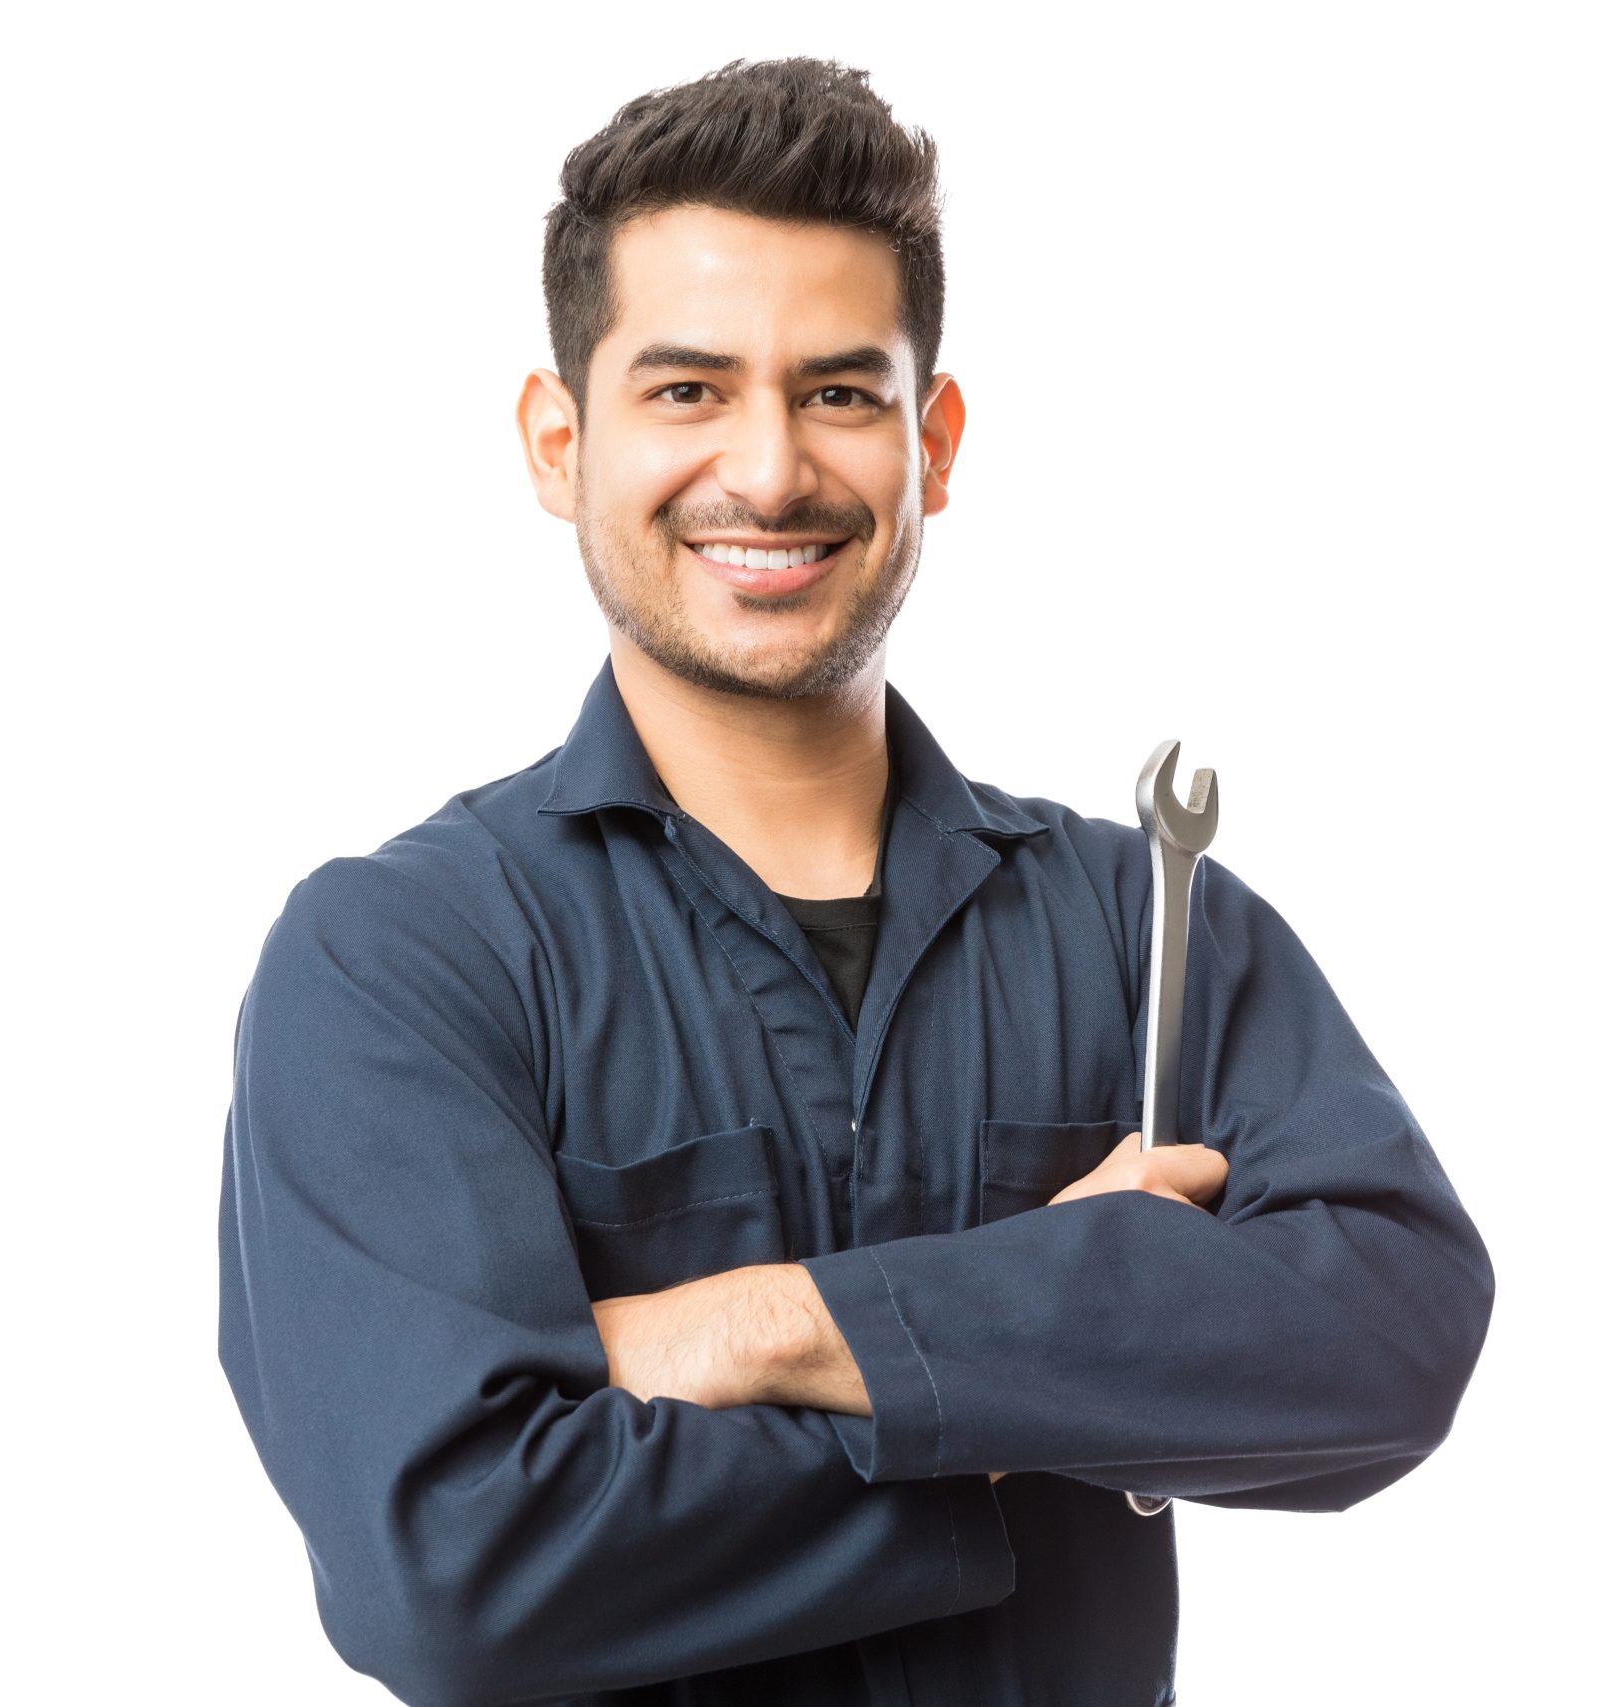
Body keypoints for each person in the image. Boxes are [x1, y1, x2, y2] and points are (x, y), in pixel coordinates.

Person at [217, 55, 1494, 1707]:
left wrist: (752, 1328)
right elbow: (459, 1567)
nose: (769, 472)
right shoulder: (401, 961)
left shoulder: (1147, 925)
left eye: (839, 392)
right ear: (558, 440)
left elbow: (1389, 1343)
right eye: (687, 391)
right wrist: (1054, 1342)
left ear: (932, 438)